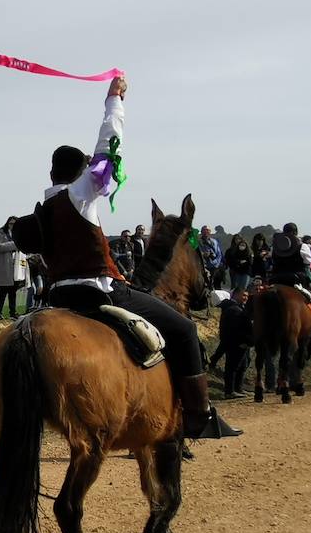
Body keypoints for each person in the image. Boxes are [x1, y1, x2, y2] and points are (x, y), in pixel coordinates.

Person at [18, 76, 239, 441]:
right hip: (100, 292)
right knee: (183, 331)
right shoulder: (80, 195)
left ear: (51, 174)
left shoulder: (44, 208)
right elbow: (109, 142)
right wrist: (114, 99)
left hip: (56, 297)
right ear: (81, 172)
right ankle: (199, 415)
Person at [217, 287, 254, 398]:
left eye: (247, 296)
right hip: (235, 344)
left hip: (242, 344)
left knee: (242, 366)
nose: (245, 298)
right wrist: (241, 341)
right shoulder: (233, 310)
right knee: (232, 367)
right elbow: (235, 329)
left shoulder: (239, 308)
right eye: (243, 295)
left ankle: (239, 388)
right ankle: (229, 391)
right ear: (236, 295)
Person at [0, 217, 28, 319]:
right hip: (4, 266)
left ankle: (13, 312)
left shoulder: (20, 234)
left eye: (14, 223)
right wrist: (14, 244)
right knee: (3, 291)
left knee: (13, 292)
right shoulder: (0, 233)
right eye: (10, 223)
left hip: (16, 267)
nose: (12, 225)